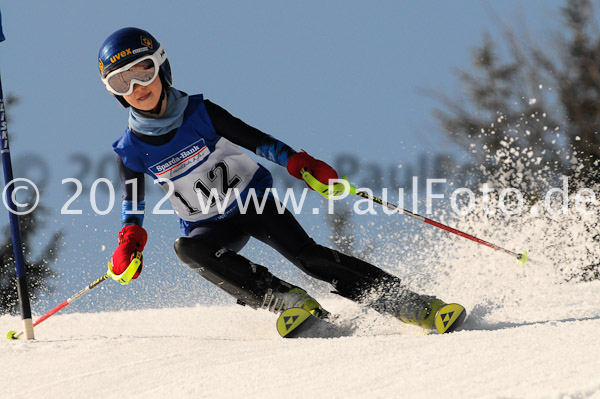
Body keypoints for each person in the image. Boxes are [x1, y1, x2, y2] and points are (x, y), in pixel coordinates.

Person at [98, 27, 465, 334]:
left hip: (253, 203)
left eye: (143, 72)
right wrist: (129, 244)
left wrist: (301, 165)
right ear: (114, 92)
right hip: (207, 225)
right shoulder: (130, 149)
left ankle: (414, 305)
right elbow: (133, 206)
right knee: (187, 249)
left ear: (162, 67)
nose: (137, 88)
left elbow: (259, 141)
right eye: (122, 82)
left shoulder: (199, 113)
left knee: (310, 258)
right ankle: (288, 300)